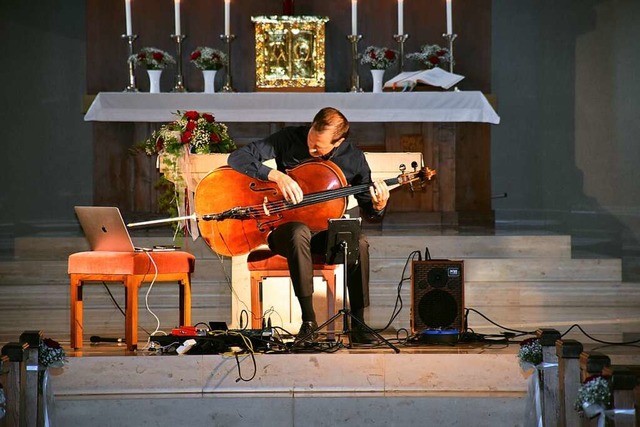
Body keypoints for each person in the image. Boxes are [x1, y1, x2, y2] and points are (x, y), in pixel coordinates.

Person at [227, 107, 390, 344]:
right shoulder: (289, 138)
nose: (311, 149)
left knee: (359, 242)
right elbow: (237, 158)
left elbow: (370, 210)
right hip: (285, 229)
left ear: (339, 141)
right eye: (310, 140)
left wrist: (379, 206)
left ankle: (358, 322)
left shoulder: (354, 158)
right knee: (298, 231)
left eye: (318, 147)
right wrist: (276, 176)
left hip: (325, 234)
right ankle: (309, 321)